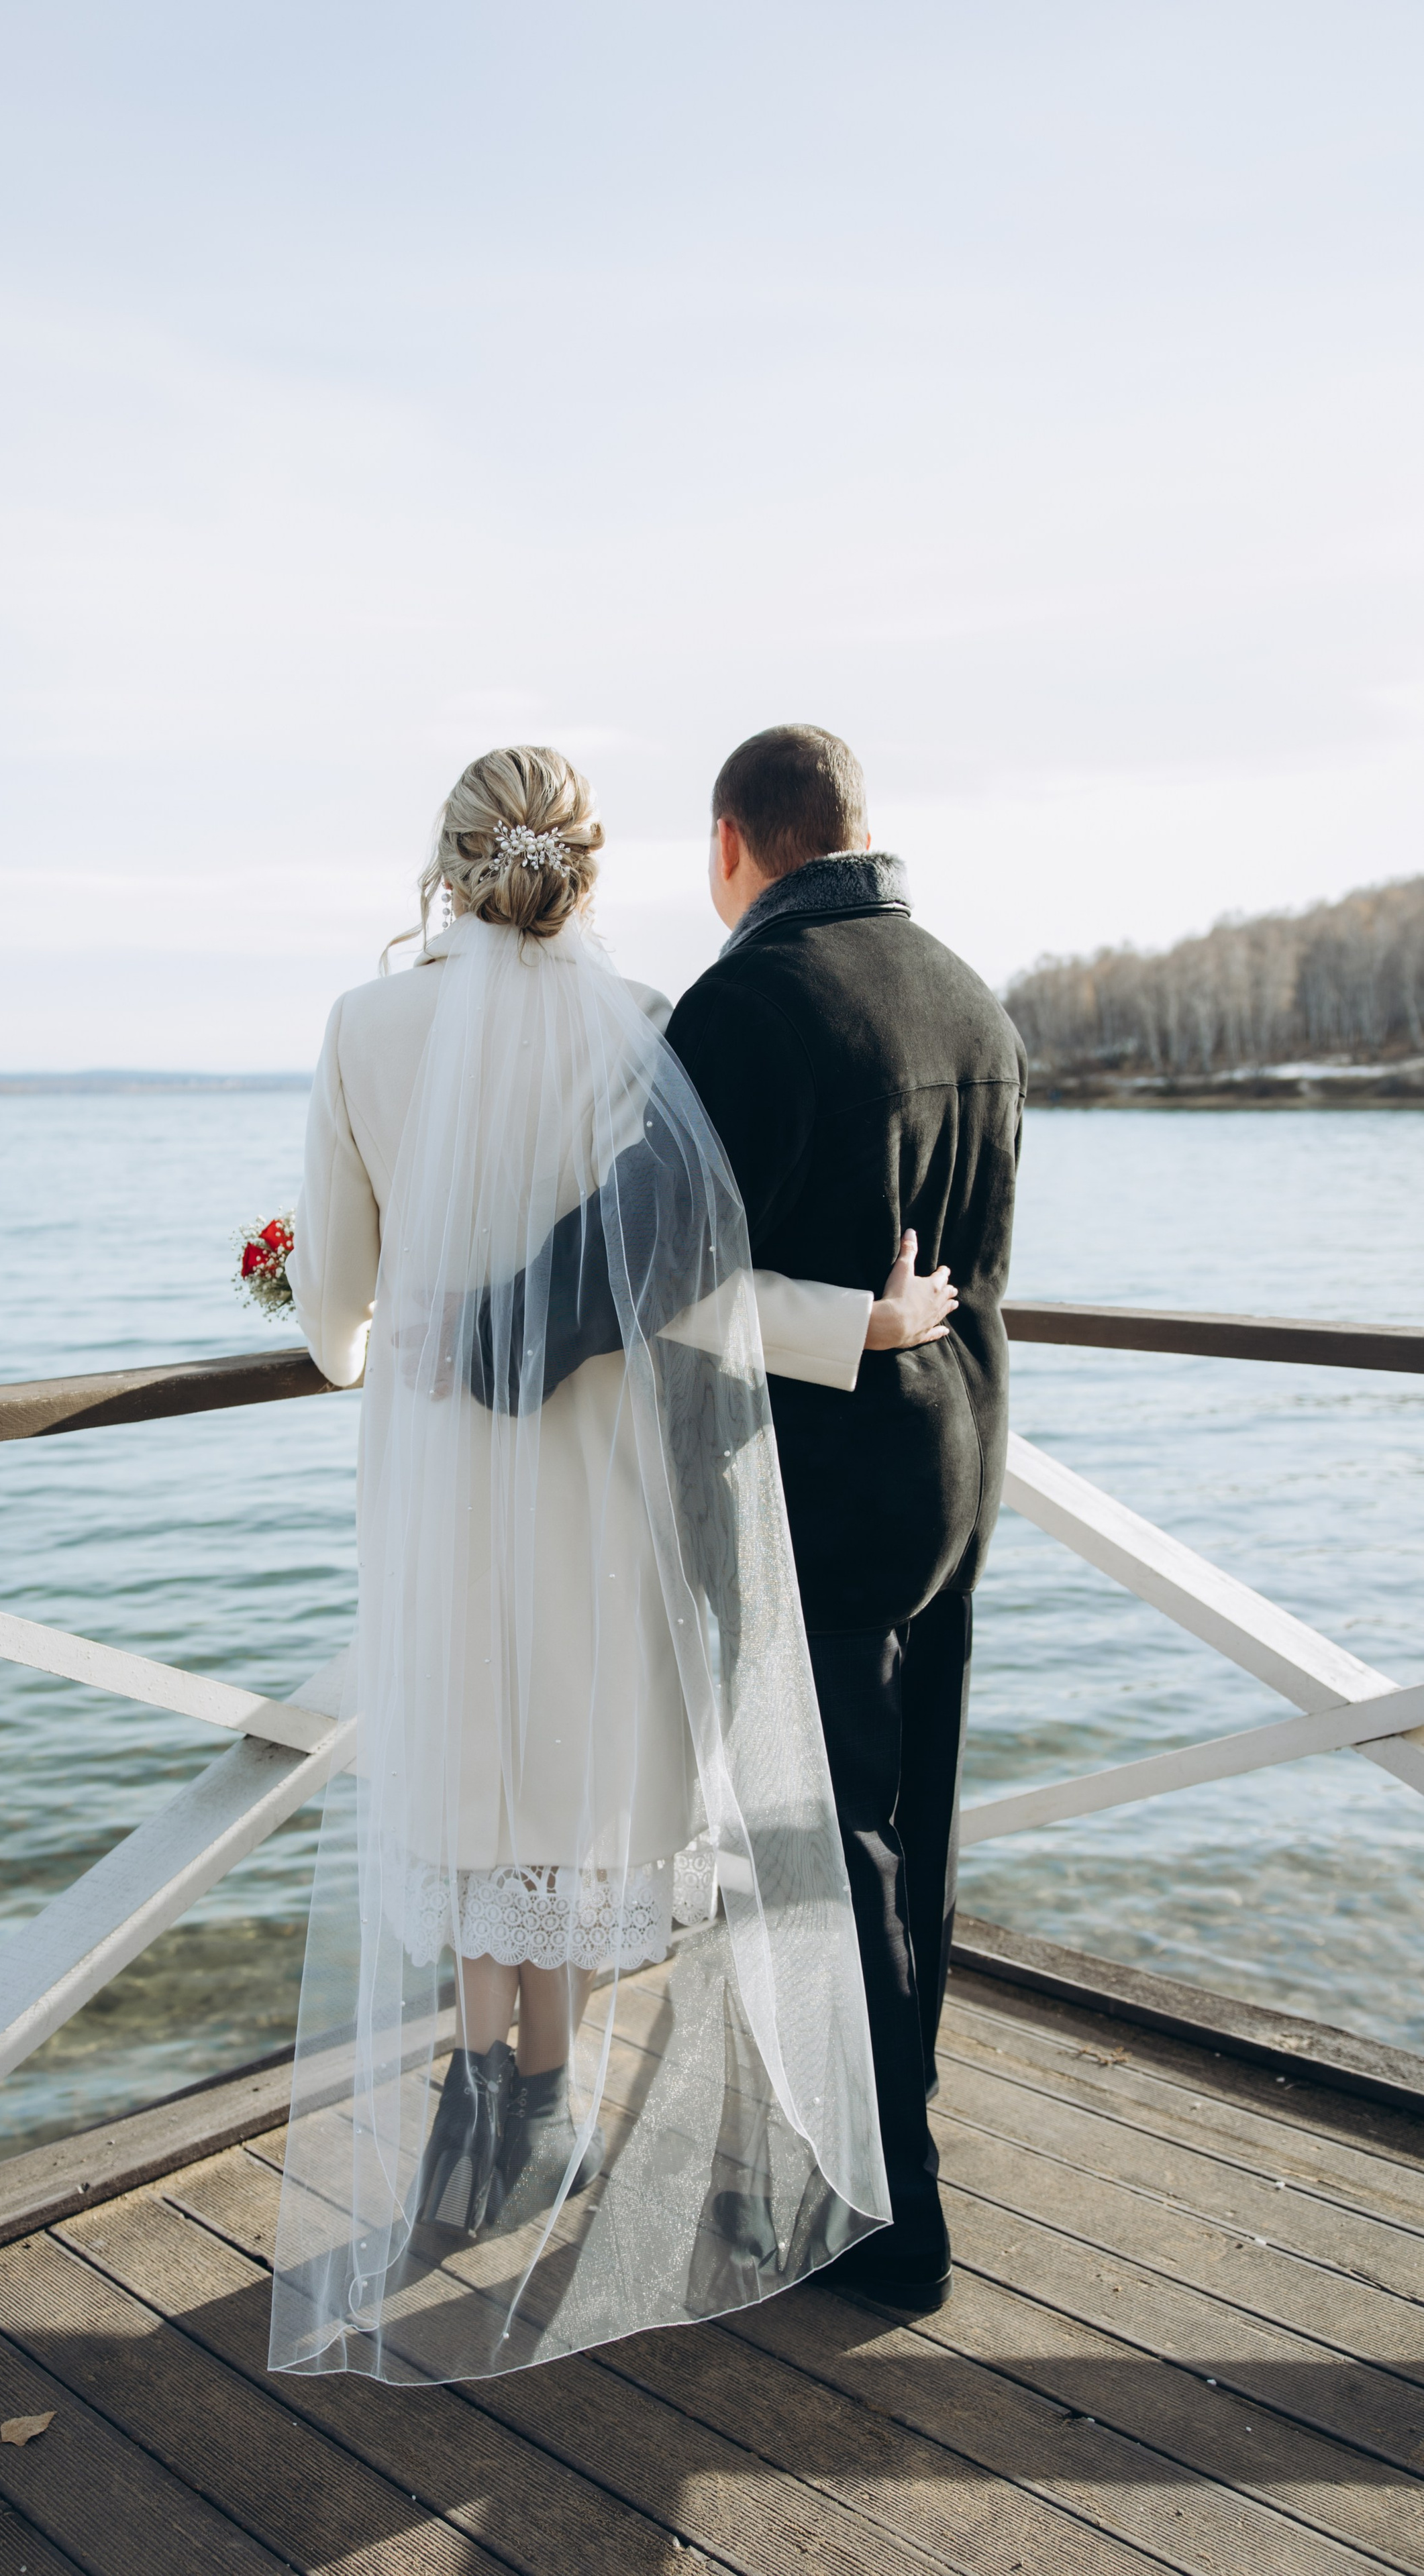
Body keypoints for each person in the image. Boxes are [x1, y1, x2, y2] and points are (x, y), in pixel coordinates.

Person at [267, 745, 949, 2386]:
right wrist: (851, 1327)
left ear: (449, 865)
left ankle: (481, 2096)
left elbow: (333, 1320)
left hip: (441, 1477)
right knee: (566, 1778)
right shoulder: (644, 1023)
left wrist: (359, 1321)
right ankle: (549, 2095)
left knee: (471, 1762)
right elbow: (684, 1278)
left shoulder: (364, 1028)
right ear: (583, 861)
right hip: (597, 1477)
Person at [499, 725, 1025, 2310]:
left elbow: (636, 1246)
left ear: (732, 842)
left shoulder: (754, 1003)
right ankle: (882, 2134)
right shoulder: (968, 997)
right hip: (958, 1459)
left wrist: (490, 1339)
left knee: (827, 1841)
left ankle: (884, 2217)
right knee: (912, 1827)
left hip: (826, 1488)